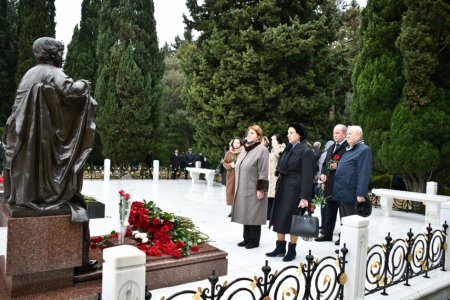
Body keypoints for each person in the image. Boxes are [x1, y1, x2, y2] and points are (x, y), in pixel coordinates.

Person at [2, 37, 97, 271]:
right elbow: (70, 90)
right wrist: (85, 84)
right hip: (36, 142)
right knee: (74, 200)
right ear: (52, 54)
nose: (61, 56)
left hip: (20, 141)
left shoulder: (30, 73)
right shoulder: (52, 72)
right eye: (59, 52)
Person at [267, 122, 314, 262]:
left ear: (299, 134)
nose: (288, 135)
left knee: (293, 219)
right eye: (288, 133)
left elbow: (308, 175)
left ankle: (292, 249)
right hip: (283, 187)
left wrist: (304, 197)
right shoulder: (288, 148)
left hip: (295, 190)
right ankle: (280, 247)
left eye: (291, 132)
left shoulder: (306, 151)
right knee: (279, 217)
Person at [231, 125, 269, 249]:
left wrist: (261, 188)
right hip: (243, 187)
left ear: (258, 136)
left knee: (254, 213)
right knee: (245, 212)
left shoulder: (262, 150)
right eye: (248, 133)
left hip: (254, 187)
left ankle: (254, 240)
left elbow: (264, 170)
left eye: (252, 133)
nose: (249, 135)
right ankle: (246, 238)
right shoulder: (245, 149)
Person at [315, 125, 348, 244]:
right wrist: (323, 175)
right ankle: (327, 234)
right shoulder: (332, 147)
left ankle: (343, 236)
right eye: (334, 133)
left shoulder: (347, 147)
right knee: (329, 211)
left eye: (338, 133)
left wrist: (338, 166)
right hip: (329, 185)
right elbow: (324, 163)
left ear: (344, 134)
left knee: (343, 213)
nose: (335, 135)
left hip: (341, 185)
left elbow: (349, 165)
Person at [333, 125, 372, 220]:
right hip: (342, 193)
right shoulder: (349, 149)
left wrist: (361, 193)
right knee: (344, 222)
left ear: (358, 135)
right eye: (347, 134)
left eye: (350, 134)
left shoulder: (364, 150)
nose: (347, 136)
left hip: (352, 194)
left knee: (351, 223)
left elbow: (364, 173)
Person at [222, 138, 243, 217]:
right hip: (231, 176)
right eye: (235, 142)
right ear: (232, 143)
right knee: (231, 193)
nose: (236, 144)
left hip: (241, 176)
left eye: (238, 142)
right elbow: (224, 163)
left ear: (240, 144)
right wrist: (230, 165)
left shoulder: (243, 152)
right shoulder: (229, 153)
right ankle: (232, 210)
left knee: (239, 192)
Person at [267, 134, 286, 220]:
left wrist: (275, 145)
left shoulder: (282, 147)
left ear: (278, 140)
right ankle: (268, 215)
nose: (272, 142)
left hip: (277, 175)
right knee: (270, 195)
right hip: (270, 175)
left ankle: (274, 215)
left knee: (275, 195)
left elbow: (279, 155)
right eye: (271, 140)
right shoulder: (271, 149)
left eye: (274, 140)